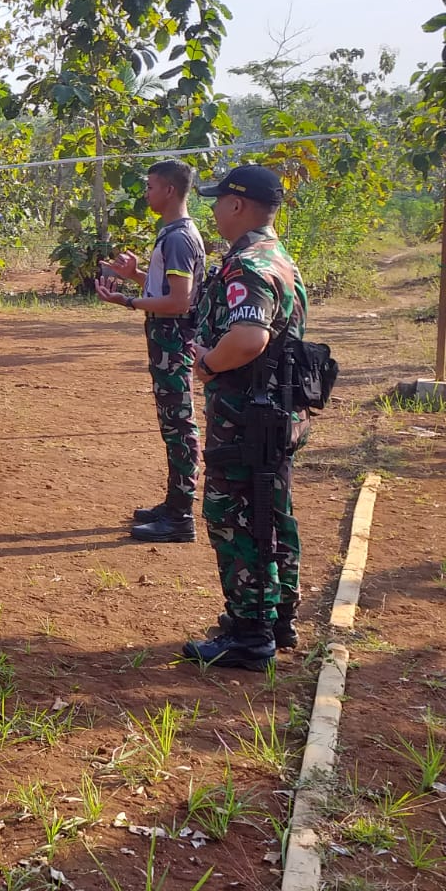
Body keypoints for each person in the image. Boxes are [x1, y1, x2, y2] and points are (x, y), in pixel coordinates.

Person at [181, 165, 310, 671]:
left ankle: (249, 632)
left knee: (235, 517)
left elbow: (250, 338)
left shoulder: (249, 266)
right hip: (275, 410)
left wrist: (209, 364)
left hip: (247, 415)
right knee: (272, 509)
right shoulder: (279, 258)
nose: (212, 209)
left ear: (238, 205)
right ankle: (276, 617)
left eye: (218, 201)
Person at [97, 160, 208, 544]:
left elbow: (179, 302)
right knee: (172, 424)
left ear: (170, 191)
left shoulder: (178, 237)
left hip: (173, 342)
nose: (146, 193)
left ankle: (180, 516)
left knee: (179, 426)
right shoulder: (175, 233)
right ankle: (174, 503)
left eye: (150, 187)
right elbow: (170, 291)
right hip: (167, 341)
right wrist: (136, 278)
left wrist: (126, 301)